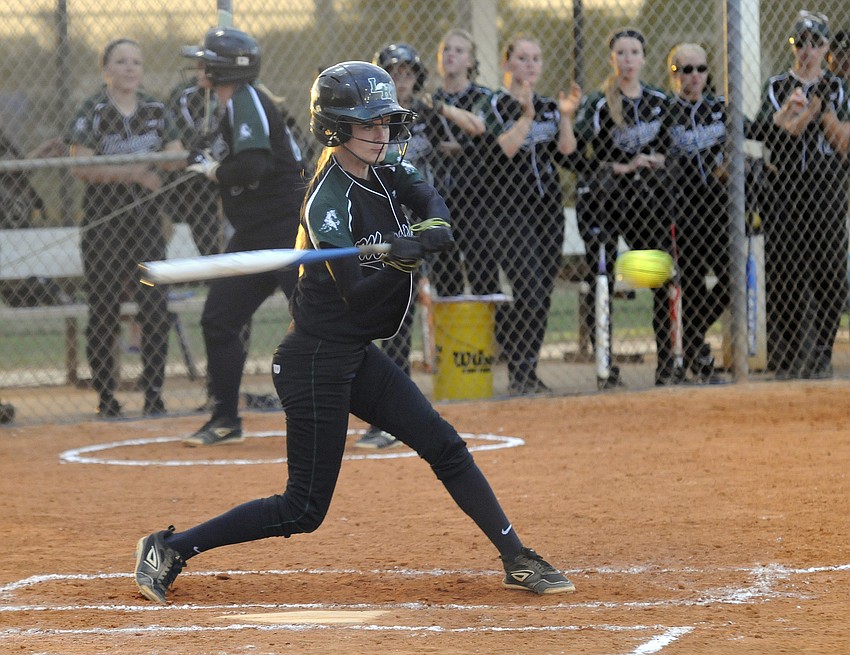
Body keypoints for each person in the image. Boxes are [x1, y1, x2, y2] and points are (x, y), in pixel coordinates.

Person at [133, 61, 575, 603]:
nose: (380, 133)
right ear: (334, 129)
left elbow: (433, 207)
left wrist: (425, 233)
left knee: (445, 445)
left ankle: (516, 557)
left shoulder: (391, 170)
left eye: (385, 121)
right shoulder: (326, 202)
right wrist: (398, 262)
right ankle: (170, 547)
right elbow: (358, 293)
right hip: (314, 358)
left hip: (354, 352)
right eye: (365, 124)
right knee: (303, 509)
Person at [180, 27, 308, 446]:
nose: (199, 67)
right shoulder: (231, 105)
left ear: (223, 68)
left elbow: (252, 166)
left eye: (205, 61)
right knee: (219, 320)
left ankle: (384, 417)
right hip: (256, 232)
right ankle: (225, 419)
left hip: (287, 228)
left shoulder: (246, 99)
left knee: (323, 321)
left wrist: (213, 170)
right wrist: (208, 159)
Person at [65, 38, 183, 418]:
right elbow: (82, 166)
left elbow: (177, 155)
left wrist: (152, 164)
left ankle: (154, 392)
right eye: (121, 61)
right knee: (104, 305)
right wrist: (134, 171)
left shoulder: (154, 109)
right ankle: (106, 395)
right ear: (107, 70)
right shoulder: (93, 110)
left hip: (147, 221)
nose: (130, 68)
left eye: (136, 61)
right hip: (105, 221)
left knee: (154, 304)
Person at [749, 11, 849, 379]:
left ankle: (822, 351)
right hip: (786, 187)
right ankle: (789, 354)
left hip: (826, 188)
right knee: (787, 272)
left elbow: (844, 146)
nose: (806, 50)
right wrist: (802, 115)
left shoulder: (838, 87)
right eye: (799, 43)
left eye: (814, 43)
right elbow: (768, 133)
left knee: (831, 273)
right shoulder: (777, 87)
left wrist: (821, 115)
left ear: (825, 48)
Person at [570, 28, 671, 388]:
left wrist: (657, 159)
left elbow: (675, 149)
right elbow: (576, 157)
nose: (628, 60)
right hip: (606, 203)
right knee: (603, 280)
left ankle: (667, 364)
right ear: (612, 58)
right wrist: (620, 166)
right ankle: (605, 366)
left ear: (644, 58)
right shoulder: (599, 104)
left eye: (634, 52)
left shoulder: (660, 100)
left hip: (646, 205)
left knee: (659, 275)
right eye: (621, 53)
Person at [482, 33, 581, 395]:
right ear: (507, 63)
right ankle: (519, 368)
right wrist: (526, 117)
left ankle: (527, 372)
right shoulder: (493, 104)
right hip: (508, 212)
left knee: (543, 292)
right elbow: (504, 149)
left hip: (547, 210)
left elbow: (567, 151)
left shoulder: (548, 104)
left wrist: (566, 116)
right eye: (522, 58)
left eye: (536, 59)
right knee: (530, 289)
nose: (530, 65)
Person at [661, 43, 729, 383]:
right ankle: (698, 356)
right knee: (694, 285)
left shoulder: (719, 108)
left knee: (731, 278)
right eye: (686, 70)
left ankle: (691, 340)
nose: (695, 77)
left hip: (717, 208)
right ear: (674, 74)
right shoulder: (665, 113)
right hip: (684, 212)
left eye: (701, 69)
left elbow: (753, 134)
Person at [424, 28, 500, 298]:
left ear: (470, 61)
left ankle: (489, 336)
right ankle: (449, 337)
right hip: (442, 196)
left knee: (483, 268)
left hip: (478, 196)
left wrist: (464, 148)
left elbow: (486, 135)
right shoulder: (430, 101)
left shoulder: (483, 97)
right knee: (445, 272)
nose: (451, 55)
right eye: (446, 49)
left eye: (459, 50)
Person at [165, 60, 222, 257]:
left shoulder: (241, 91)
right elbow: (187, 144)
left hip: (230, 166)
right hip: (196, 174)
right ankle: (212, 266)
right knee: (200, 197)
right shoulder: (185, 95)